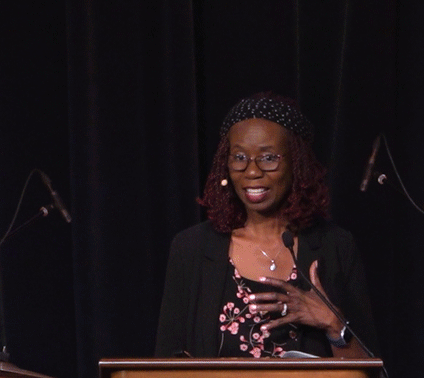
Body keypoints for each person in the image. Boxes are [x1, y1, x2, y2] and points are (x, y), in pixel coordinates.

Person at [154, 92, 377, 359]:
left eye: (268, 158)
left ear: (297, 164)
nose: (251, 171)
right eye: (239, 157)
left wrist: (334, 325)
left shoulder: (335, 246)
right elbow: (165, 367)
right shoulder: (191, 249)